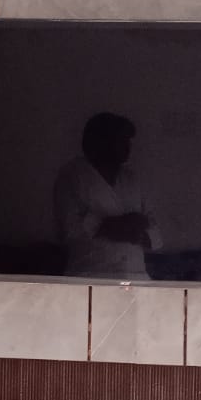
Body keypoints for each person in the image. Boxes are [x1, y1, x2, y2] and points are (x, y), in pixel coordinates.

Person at [53, 112, 160, 278]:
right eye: (121, 140)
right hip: (91, 274)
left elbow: (153, 226)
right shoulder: (73, 175)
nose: (128, 147)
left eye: (129, 141)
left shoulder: (132, 179)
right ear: (102, 141)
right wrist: (114, 225)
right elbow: (69, 229)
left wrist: (137, 232)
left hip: (135, 275)